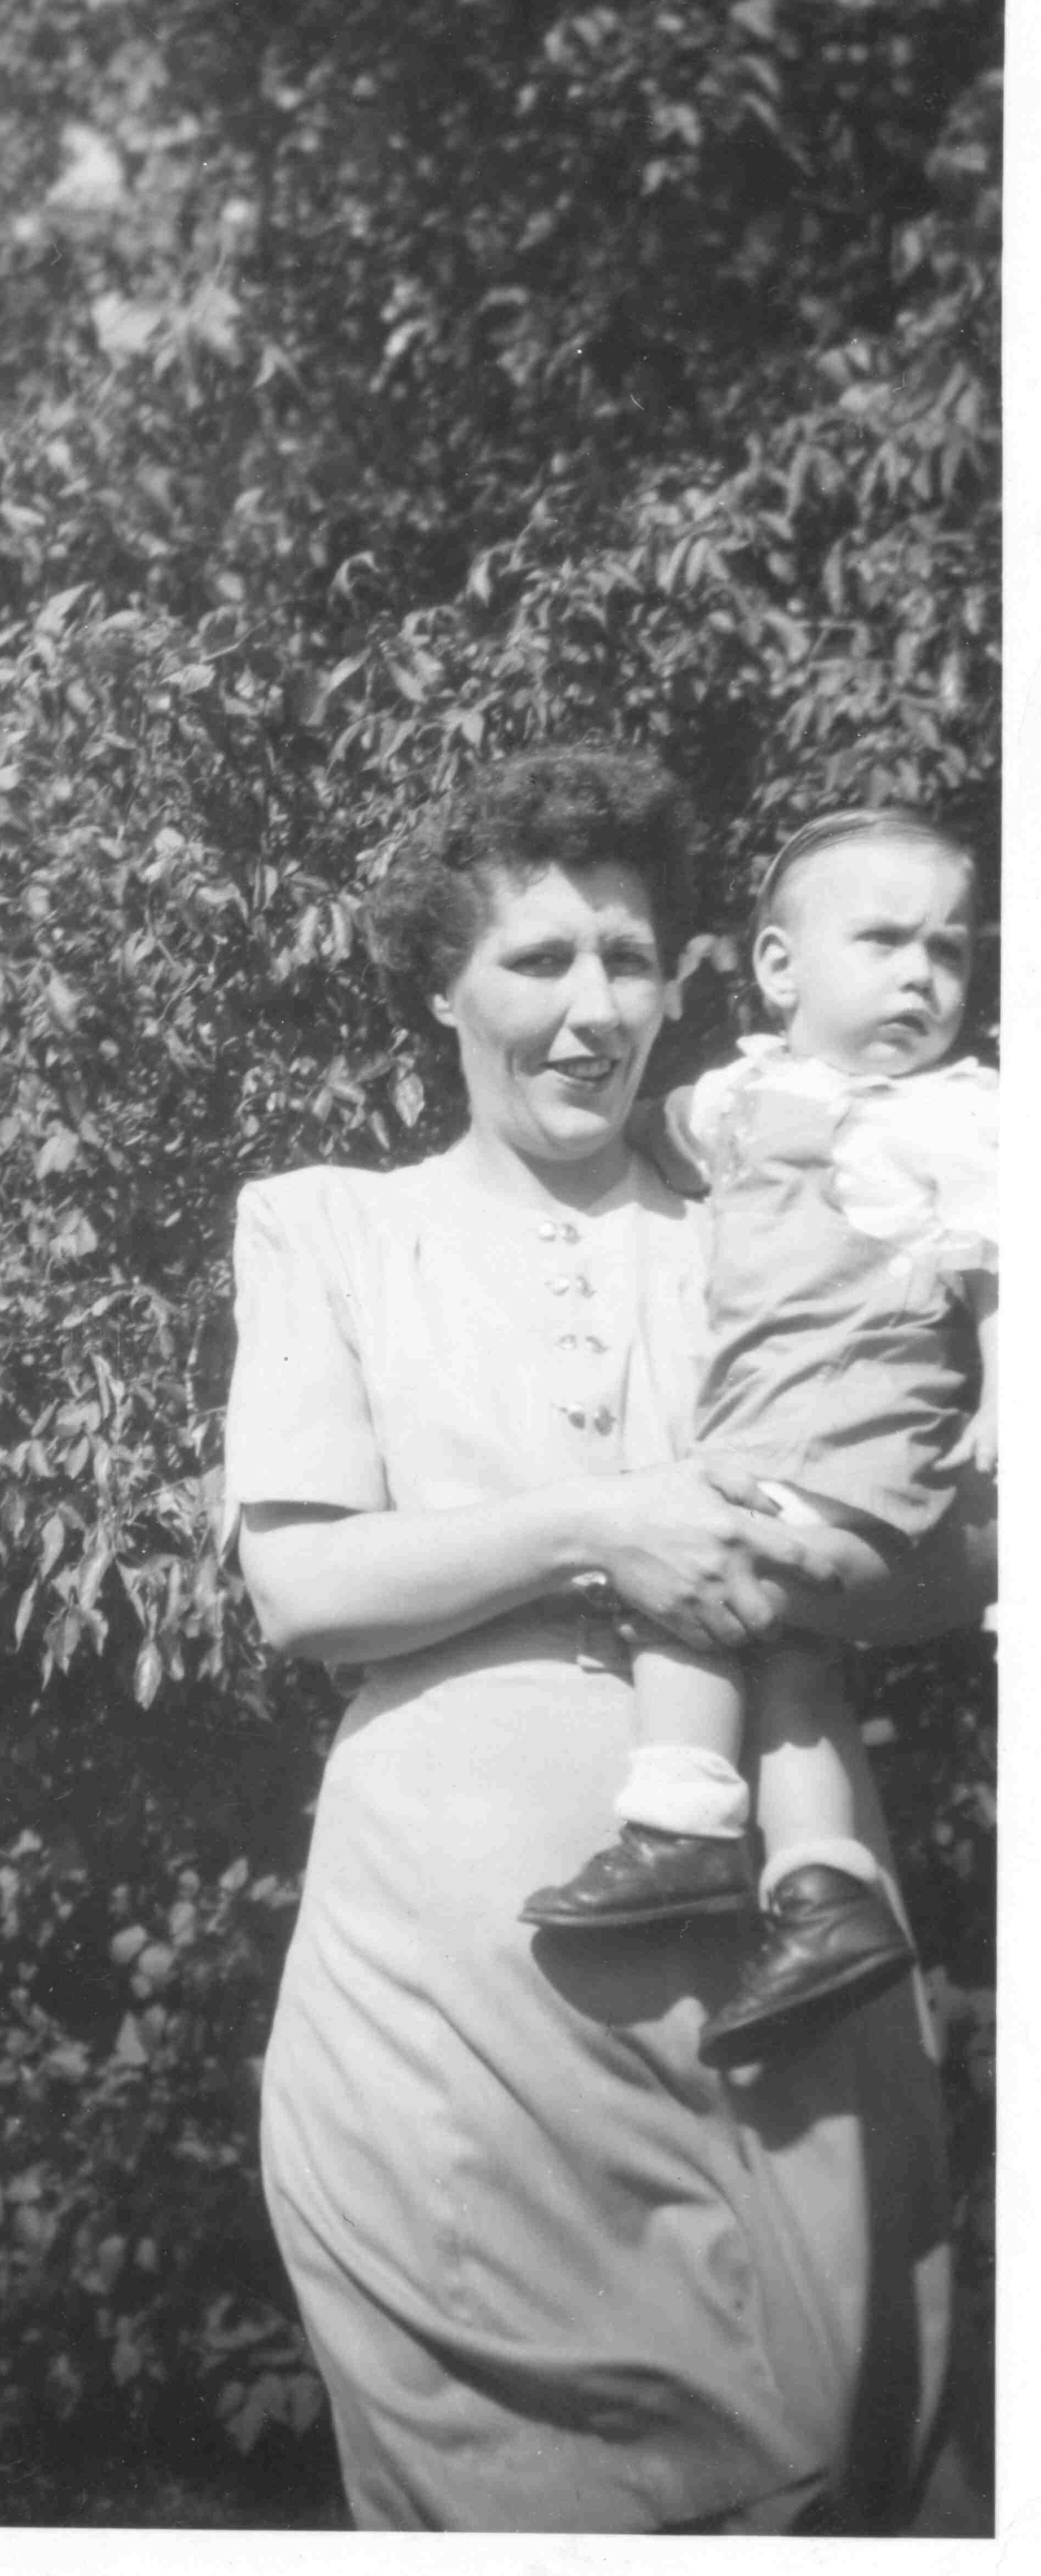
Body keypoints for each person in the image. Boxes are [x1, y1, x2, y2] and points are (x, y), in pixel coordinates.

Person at [224, 746, 993, 2534]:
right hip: (447, 1977)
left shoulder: (785, 1214)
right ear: (442, 986)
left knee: (833, 2446)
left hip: (777, 1966)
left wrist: (859, 1537)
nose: (591, 1009)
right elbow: (305, 1587)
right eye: (537, 959)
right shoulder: (331, 1224)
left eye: (629, 959)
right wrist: (602, 1524)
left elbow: (953, 1557)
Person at [523, 808, 997, 2068]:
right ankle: (825, 1892)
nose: (923, 975)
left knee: (691, 1585)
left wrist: (1010, 1398)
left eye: (950, 950)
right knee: (787, 1660)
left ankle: (678, 1826)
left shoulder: (954, 1114)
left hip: (859, 1423)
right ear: (779, 967)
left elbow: (1006, 1267)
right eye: (885, 941)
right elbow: (633, 1134)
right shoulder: (738, 1096)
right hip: (767, 1425)